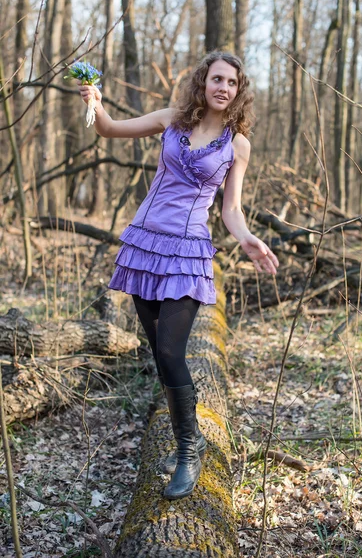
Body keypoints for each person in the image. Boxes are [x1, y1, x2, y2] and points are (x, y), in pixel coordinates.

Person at [77, 51, 279, 500]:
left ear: (239, 90)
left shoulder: (236, 144)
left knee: (171, 350)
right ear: (203, 83)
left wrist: (246, 238)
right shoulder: (172, 120)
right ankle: (191, 438)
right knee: (159, 352)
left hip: (188, 252)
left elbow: (231, 209)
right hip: (145, 244)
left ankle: (188, 451)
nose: (223, 88)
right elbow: (110, 130)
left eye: (231, 82)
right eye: (216, 79)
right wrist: (95, 100)